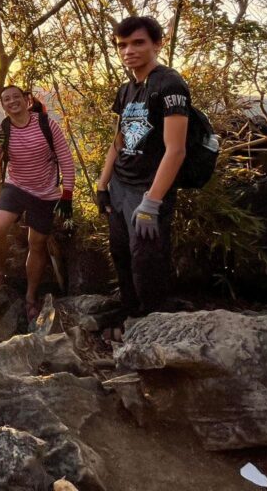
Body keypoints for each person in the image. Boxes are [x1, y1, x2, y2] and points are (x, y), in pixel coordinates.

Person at [96, 16, 189, 317]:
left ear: (157, 44)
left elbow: (176, 150)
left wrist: (152, 203)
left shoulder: (169, 84)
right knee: (121, 255)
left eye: (138, 43)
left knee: (147, 261)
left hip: (148, 190)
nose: (128, 51)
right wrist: (102, 185)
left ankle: (153, 322)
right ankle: (129, 311)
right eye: (122, 45)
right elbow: (118, 140)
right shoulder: (126, 90)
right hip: (121, 187)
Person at [0, 85, 76, 322]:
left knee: (37, 243)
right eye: (6, 100)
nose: (11, 102)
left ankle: (31, 297)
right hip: (16, 186)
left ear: (26, 99)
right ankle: (1, 272)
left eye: (15, 97)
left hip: (45, 192)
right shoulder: (4, 129)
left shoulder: (46, 124)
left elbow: (65, 158)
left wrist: (67, 193)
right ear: (2, 106)